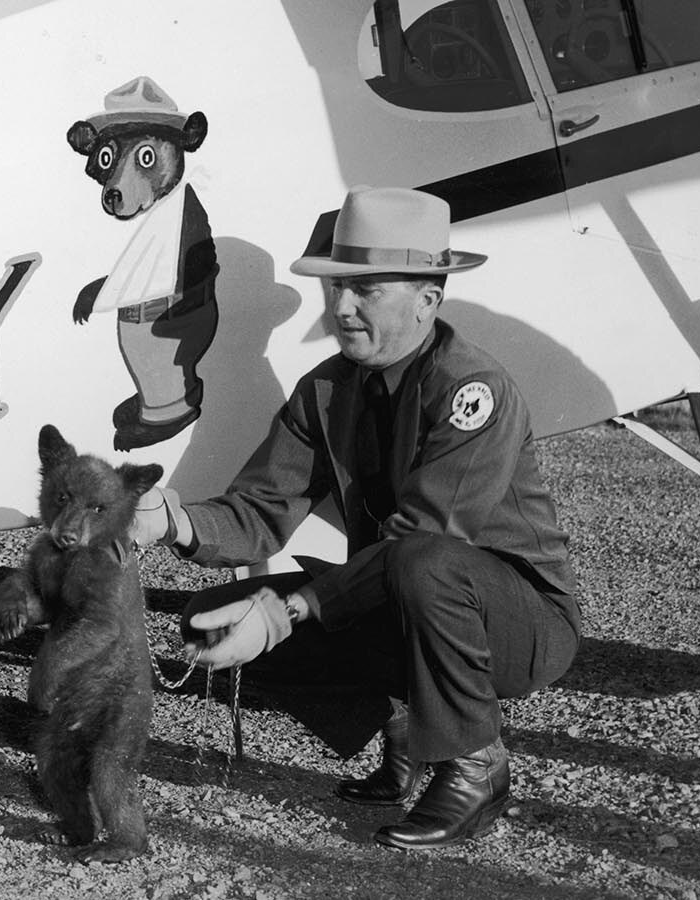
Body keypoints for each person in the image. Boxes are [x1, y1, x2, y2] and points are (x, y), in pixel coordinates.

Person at [133, 186, 579, 850]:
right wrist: (176, 521)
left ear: (428, 299)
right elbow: (259, 511)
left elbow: (426, 538)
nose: (340, 307)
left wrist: (287, 612)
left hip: (518, 626)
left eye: (366, 289)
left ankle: (474, 764)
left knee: (418, 563)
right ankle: (406, 736)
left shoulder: (473, 391)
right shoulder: (326, 389)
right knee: (210, 615)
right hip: (402, 594)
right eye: (336, 286)